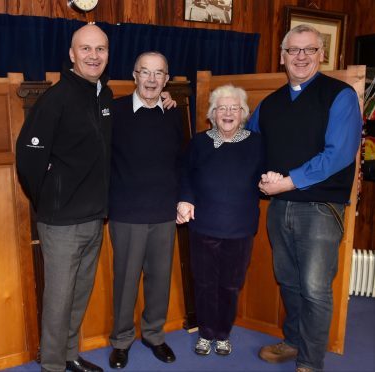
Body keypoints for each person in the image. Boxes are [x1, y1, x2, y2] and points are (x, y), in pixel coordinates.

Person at [247, 24, 362, 372]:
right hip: (279, 208)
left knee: (315, 288)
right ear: (282, 56)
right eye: (293, 50)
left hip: (320, 209)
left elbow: (339, 153)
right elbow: (248, 144)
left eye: (309, 50)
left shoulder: (339, 95)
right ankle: (294, 341)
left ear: (321, 55)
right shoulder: (270, 104)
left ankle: (311, 361)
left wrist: (288, 182)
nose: (300, 57)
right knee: (289, 281)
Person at [16, 24, 111, 372]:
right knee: (58, 300)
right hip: (61, 222)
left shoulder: (104, 95)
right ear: (72, 55)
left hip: (94, 217)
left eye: (100, 49)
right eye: (85, 49)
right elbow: (28, 159)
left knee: (78, 294)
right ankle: (53, 365)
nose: (93, 55)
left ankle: (70, 355)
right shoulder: (55, 99)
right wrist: (50, 199)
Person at [176, 84, 266, 357]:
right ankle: (205, 333)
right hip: (203, 226)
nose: (228, 113)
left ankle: (223, 333)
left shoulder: (258, 143)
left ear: (243, 113)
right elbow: (185, 175)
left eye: (234, 108)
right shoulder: (199, 142)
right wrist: (185, 198)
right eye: (222, 108)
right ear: (212, 114)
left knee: (230, 284)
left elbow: (270, 175)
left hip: (239, 228)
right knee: (203, 282)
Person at [107, 51, 181, 369]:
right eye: (145, 72)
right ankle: (121, 341)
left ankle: (153, 335)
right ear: (134, 75)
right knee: (125, 282)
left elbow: (183, 162)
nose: (151, 79)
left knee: (159, 280)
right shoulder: (114, 111)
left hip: (164, 213)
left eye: (158, 73)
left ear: (167, 79)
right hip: (126, 213)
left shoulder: (173, 113)